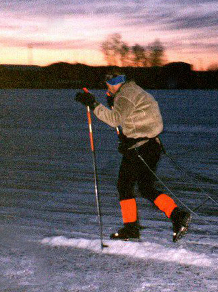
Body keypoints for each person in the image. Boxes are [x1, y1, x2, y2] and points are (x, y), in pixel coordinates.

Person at [74, 73, 191, 242]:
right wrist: (127, 136)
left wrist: (93, 104)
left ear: (113, 84)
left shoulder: (124, 96)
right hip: (150, 145)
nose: (107, 89)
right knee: (145, 187)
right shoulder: (134, 90)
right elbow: (133, 117)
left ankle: (132, 229)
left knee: (124, 185)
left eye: (107, 85)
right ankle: (176, 216)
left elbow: (114, 120)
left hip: (140, 148)